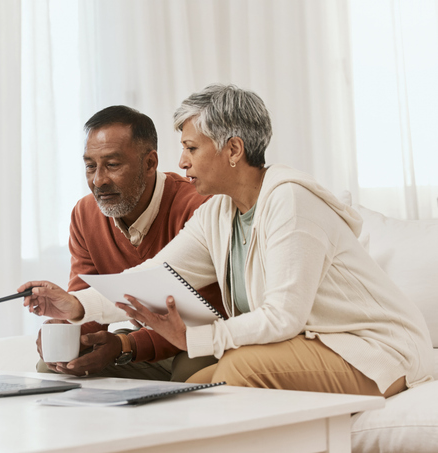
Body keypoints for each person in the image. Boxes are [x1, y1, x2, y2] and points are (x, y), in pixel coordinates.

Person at [21, 84, 433, 396]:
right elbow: (156, 275)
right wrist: (76, 304)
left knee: (235, 372)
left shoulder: (291, 201)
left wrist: (197, 339)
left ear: (233, 149)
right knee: (184, 395)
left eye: (191, 147)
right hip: (311, 346)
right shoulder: (219, 212)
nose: (180, 162)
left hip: (373, 350)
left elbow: (282, 317)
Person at [35, 105, 224, 381]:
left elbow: (209, 315)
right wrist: (69, 332)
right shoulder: (85, 214)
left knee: (190, 370)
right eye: (90, 166)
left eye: (112, 165)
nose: (98, 180)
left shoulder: (198, 206)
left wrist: (127, 346)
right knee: (55, 367)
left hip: (197, 339)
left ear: (150, 163)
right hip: (139, 341)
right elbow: (85, 296)